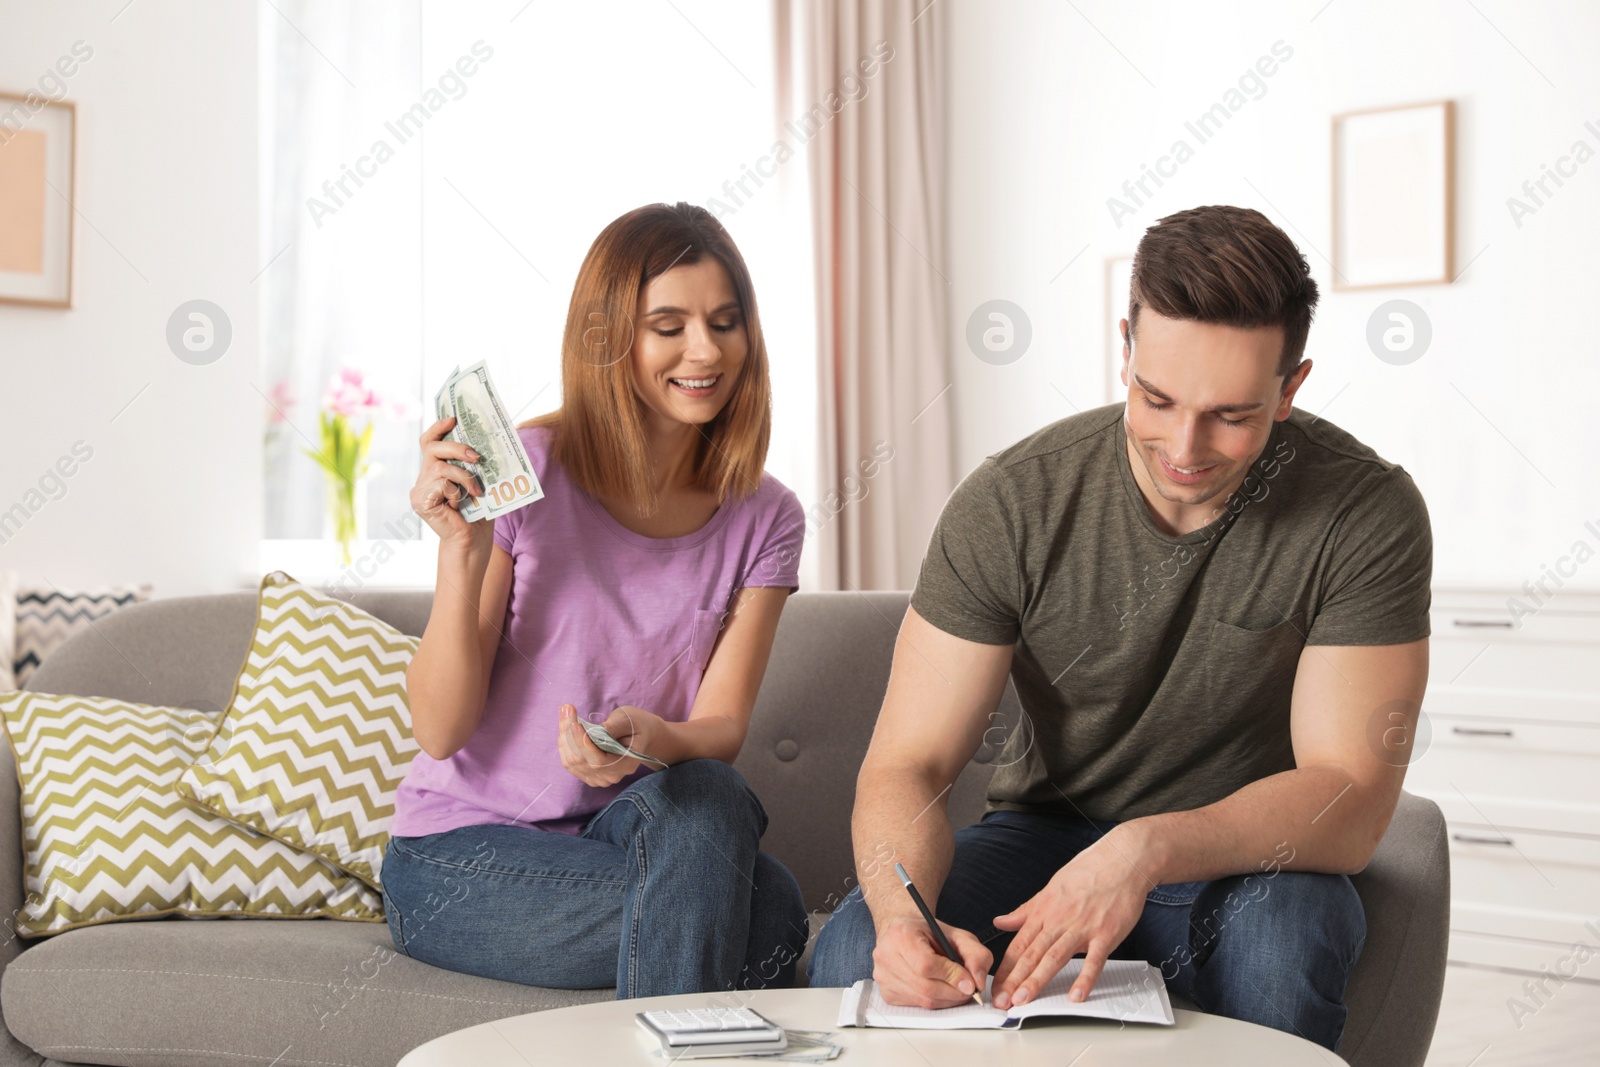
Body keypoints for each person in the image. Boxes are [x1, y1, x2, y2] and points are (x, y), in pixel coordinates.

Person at [808, 205, 1432, 1054]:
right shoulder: (1013, 500)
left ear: (1292, 387)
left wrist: (1144, 850)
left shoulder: (1364, 511)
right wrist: (897, 916)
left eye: (1232, 414)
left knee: (1283, 944)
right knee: (853, 948)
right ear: (1126, 347)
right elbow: (906, 762)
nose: (1185, 446)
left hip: (1247, 854)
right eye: (1157, 397)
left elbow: (1348, 796)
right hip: (1043, 837)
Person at [382, 202, 810, 998]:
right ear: (613, 335)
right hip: (461, 855)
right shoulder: (528, 474)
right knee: (771, 918)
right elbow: (441, 730)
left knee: (712, 792)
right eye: (669, 325)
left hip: (623, 833)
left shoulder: (768, 515)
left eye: (725, 321)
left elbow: (719, 727)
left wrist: (652, 739)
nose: (705, 350)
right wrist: (461, 549)